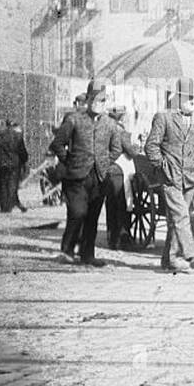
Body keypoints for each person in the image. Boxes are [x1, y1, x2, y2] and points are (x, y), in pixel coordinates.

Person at [50, 78, 123, 268]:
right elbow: (57, 144)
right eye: (95, 99)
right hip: (76, 177)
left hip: (99, 178)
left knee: (92, 216)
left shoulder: (110, 124)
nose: (98, 104)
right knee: (77, 212)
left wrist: (104, 163)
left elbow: (116, 149)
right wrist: (70, 160)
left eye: (102, 100)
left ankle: (87, 255)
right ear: (88, 99)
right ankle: (66, 251)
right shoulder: (74, 119)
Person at [144, 77, 194, 273]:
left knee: (176, 219)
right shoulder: (163, 118)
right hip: (170, 177)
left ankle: (169, 259)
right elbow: (151, 146)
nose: (193, 102)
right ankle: (189, 255)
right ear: (178, 98)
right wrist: (163, 166)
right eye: (189, 98)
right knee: (182, 215)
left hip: (191, 179)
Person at [103, 102, 139, 248]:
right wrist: (137, 145)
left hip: (108, 169)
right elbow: (132, 152)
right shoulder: (120, 131)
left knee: (110, 203)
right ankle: (123, 236)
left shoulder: (104, 129)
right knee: (122, 202)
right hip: (120, 169)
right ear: (121, 117)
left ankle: (112, 237)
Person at [0, 117, 30, 213]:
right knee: (12, 185)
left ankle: (4, 206)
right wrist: (24, 160)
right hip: (14, 164)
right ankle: (9, 205)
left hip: (2, 163)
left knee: (3, 185)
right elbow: (22, 151)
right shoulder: (17, 136)